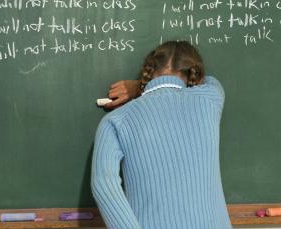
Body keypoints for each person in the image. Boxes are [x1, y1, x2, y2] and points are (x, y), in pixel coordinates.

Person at [91, 41, 232, 229]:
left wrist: (140, 87)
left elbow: (103, 184)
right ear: (194, 73)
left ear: (149, 69)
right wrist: (138, 87)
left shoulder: (116, 120)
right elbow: (211, 80)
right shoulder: (210, 98)